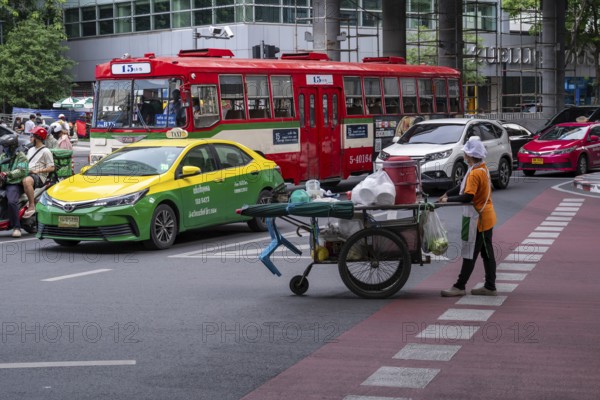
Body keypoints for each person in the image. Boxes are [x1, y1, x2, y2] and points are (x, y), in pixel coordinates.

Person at [438, 136, 497, 297]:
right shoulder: (480, 168)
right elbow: (461, 186)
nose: (464, 155)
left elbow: (467, 196)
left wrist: (447, 200)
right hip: (484, 217)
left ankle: (460, 286)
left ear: (470, 155)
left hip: (479, 220)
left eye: (466, 153)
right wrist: (447, 193)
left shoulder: (475, 173)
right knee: (486, 253)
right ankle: (490, 286)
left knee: (470, 253)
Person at [22, 126, 55, 218]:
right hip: (28, 173)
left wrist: (37, 171)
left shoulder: (46, 151)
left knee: (26, 181)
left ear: (38, 138)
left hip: (39, 176)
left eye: (32, 136)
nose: (30, 138)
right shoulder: (30, 150)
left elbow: (51, 168)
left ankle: (32, 205)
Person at [0, 134, 29, 237]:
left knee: (12, 202)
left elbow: (22, 171)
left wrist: (8, 174)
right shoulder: (3, 156)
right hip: (3, 183)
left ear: (12, 146)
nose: (4, 148)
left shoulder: (21, 156)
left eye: (6, 146)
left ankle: (17, 227)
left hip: (14, 183)